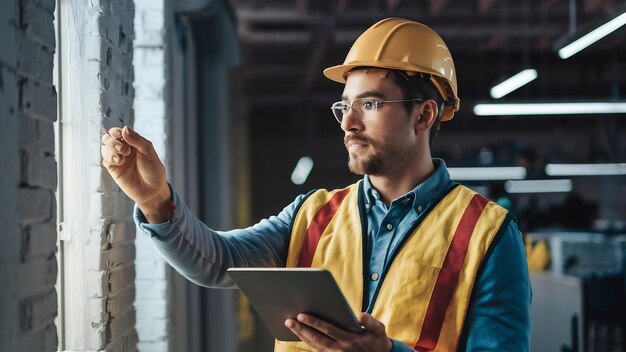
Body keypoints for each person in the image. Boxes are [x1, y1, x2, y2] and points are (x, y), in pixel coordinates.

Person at [101, 18, 530, 352]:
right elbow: (216, 262)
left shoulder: (488, 234)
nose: (348, 122)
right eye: (344, 105)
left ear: (424, 115)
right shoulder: (313, 215)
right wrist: (156, 201)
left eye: (371, 103)